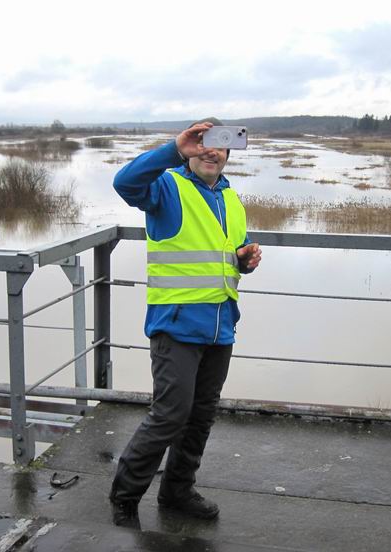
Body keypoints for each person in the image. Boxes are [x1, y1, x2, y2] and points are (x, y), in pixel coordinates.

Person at [109, 118, 262, 528]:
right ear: (192, 150)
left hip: (220, 325)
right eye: (203, 145)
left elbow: (222, 259)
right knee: (170, 414)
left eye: (220, 146)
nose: (212, 152)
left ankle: (177, 491)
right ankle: (124, 496)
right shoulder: (167, 188)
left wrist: (243, 262)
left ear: (230, 154)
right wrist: (175, 149)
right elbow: (125, 183)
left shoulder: (232, 200)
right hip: (175, 325)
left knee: (200, 416)